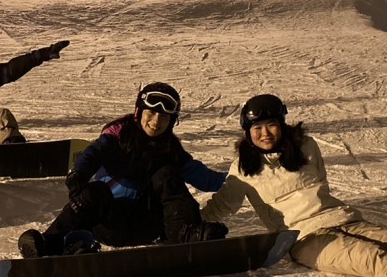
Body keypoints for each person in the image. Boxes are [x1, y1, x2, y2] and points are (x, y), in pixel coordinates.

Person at [201, 94, 387, 277]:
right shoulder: (243, 169)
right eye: (257, 127)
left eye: (271, 124)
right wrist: (185, 225)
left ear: (282, 125)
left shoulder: (305, 147)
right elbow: (222, 207)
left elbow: (320, 183)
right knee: (373, 259)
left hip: (342, 218)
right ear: (247, 132)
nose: (265, 133)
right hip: (302, 239)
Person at [18, 82, 229, 258]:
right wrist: (77, 175)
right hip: (111, 224)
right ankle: (50, 243)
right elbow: (92, 154)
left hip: (151, 224)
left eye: (164, 117)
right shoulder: (119, 135)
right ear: (138, 112)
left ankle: (185, 234)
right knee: (95, 191)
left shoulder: (170, 149)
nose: (156, 122)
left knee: (166, 176)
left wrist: (243, 177)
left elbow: (203, 177)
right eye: (151, 113)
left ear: (172, 122)